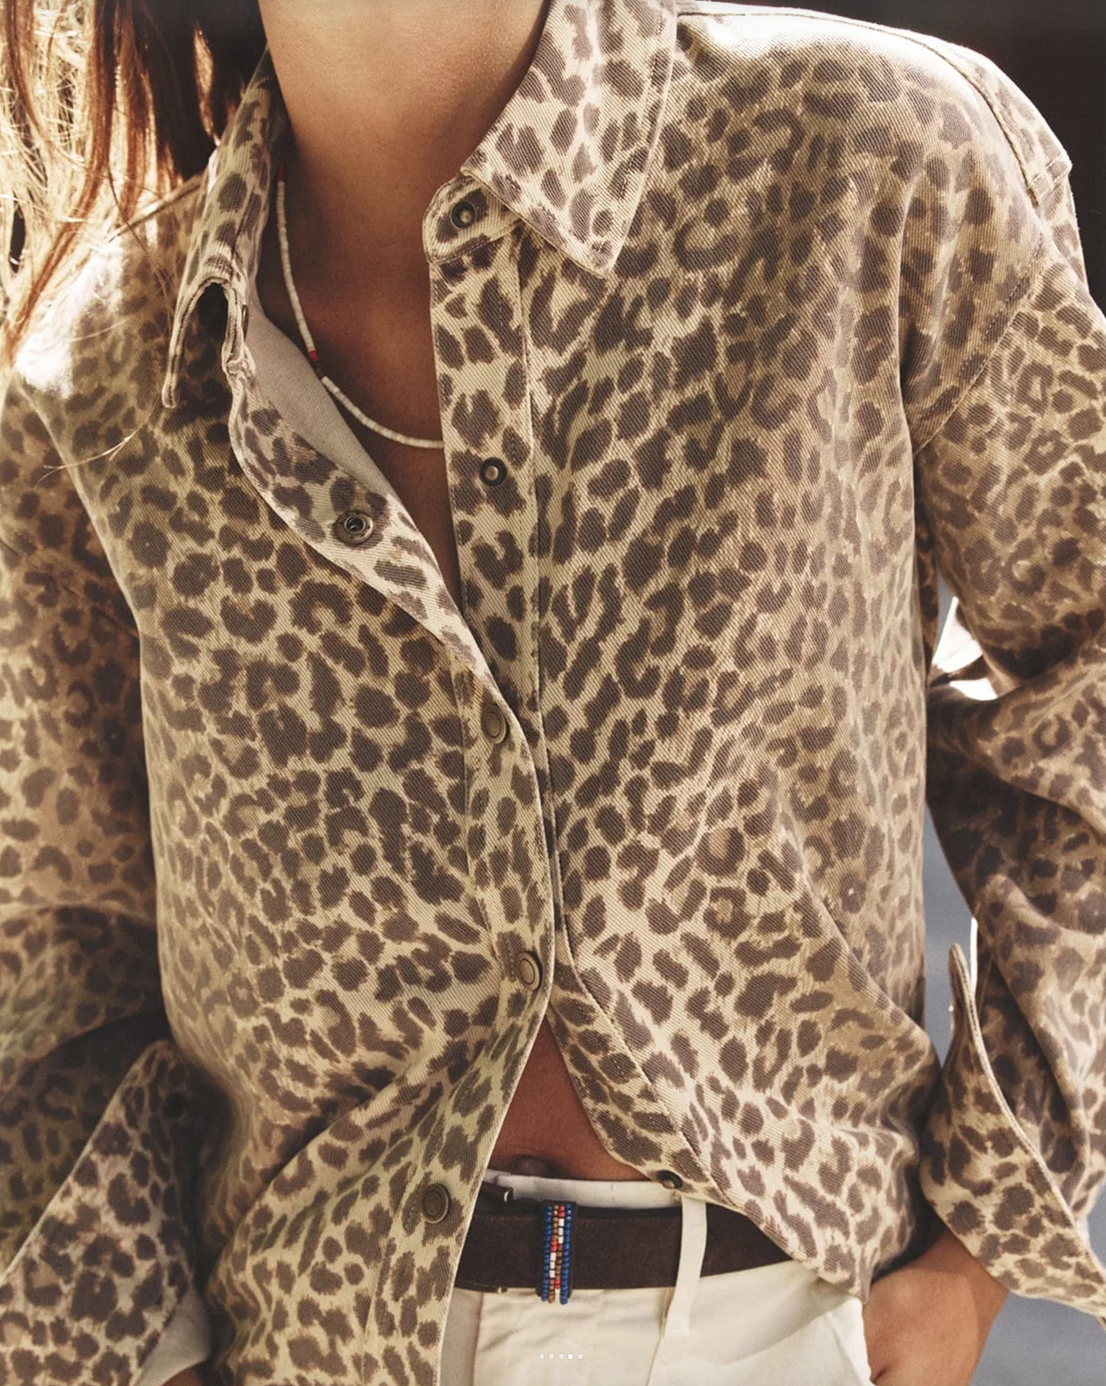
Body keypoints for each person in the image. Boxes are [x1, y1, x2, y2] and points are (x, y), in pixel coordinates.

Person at [1, 0, 1105, 1383]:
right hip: (307, 1347)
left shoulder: (861, 160)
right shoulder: (101, 377)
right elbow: (54, 977)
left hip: (781, 1328)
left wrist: (977, 1251)